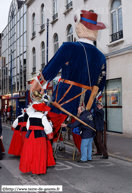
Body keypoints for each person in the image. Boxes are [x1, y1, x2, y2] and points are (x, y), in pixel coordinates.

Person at [30, 10, 106, 140]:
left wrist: (38, 81)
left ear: (80, 28)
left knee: (49, 118)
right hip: (87, 100)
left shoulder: (69, 47)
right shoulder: (101, 57)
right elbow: (101, 83)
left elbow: (53, 66)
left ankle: (46, 145)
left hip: (66, 96)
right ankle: (82, 147)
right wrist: (96, 99)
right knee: (82, 123)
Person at [19, 103, 55, 174]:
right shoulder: (43, 116)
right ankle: (38, 170)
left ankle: (28, 168)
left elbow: (27, 126)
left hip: (30, 135)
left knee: (29, 152)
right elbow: (47, 128)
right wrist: (49, 135)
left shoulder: (31, 115)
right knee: (39, 153)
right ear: (42, 111)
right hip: (39, 136)